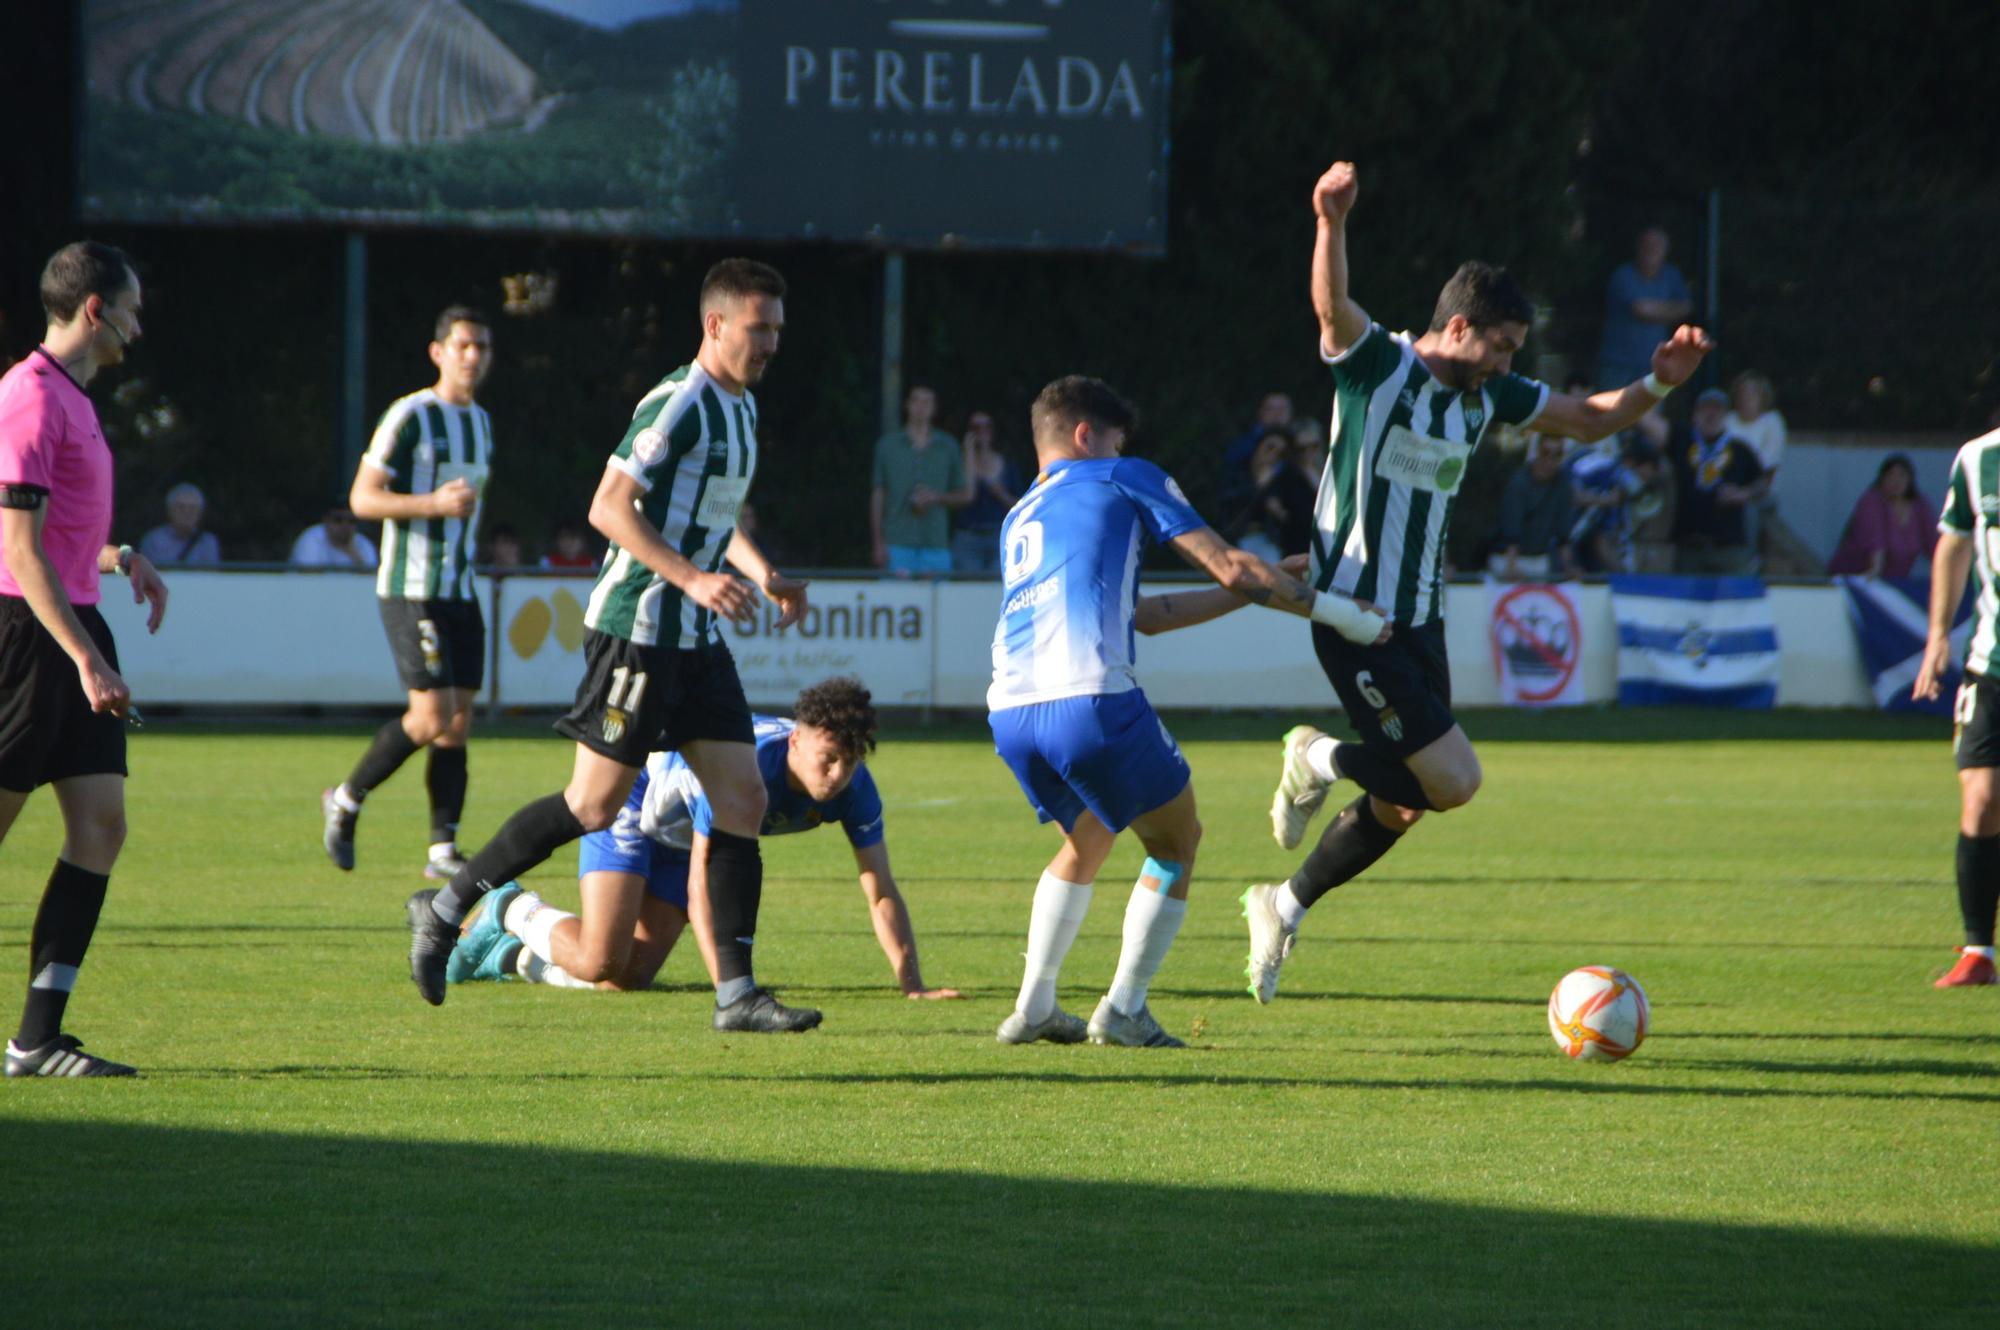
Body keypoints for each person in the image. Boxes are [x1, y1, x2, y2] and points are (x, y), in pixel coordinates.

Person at [1246, 160, 1713, 1004]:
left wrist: (1659, 384)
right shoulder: (1379, 367)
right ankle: (1313, 755)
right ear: (1458, 328)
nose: (1505, 363)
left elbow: (1589, 418)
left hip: (1421, 620)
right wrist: (1330, 220)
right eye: (1498, 346)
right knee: (1454, 780)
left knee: (1408, 804)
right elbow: (1331, 307)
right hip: (1353, 612)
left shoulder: (1486, 397)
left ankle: (1283, 903)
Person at [403, 258, 815, 1035]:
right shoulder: (679, 403)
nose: (770, 345)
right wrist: (694, 579)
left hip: (693, 637)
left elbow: (719, 518)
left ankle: (738, 996)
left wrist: (764, 573)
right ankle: (450, 908)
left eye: (778, 331)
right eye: (759, 329)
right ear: (716, 324)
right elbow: (608, 506)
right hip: (639, 630)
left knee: (743, 799)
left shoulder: (743, 408)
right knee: (591, 804)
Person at [989, 375, 1388, 1050]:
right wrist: (1342, 615)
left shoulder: (1020, 514)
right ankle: (1123, 1010)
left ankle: (1033, 1007)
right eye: (1116, 439)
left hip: (1010, 711)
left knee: (1085, 840)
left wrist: (1258, 589)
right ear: (1089, 436)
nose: (1121, 450)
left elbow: (1148, 615)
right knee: (1176, 842)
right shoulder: (1121, 476)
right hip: (1090, 699)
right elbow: (1232, 565)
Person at [444, 678, 961, 1000]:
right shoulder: (748, 771)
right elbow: (704, 886)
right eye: (829, 758)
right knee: (600, 956)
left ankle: (509, 957)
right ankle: (508, 907)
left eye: (850, 761)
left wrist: (911, 983)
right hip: (638, 797)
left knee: (625, 978)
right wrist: (732, 991)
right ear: (797, 740)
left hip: (684, 837)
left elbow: (881, 888)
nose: (838, 773)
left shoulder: (856, 790)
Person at [0, 241, 171, 1078]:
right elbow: (20, 552)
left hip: (76, 624)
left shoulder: (72, 398)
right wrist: (84, 661)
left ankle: (37, 1039)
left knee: (101, 827)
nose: (137, 329)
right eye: (130, 311)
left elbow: (59, 539)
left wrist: (117, 555)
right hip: (28, 639)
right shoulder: (29, 398)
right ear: (95, 309)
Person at [318, 307, 495, 880]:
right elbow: (363, 498)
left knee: (458, 720)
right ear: (438, 351)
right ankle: (345, 799)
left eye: (482, 347)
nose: (473, 356)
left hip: (461, 590)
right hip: (410, 587)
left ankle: (443, 850)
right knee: (431, 713)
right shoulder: (411, 415)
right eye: (463, 345)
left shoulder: (483, 424)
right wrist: (432, 504)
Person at [1913, 422, 2000, 987]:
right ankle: (1978, 952)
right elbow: (1954, 539)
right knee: (1982, 799)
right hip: (1991, 664)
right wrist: (1938, 635)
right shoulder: (1978, 457)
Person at [1656, 387, 1767, 575]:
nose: (1712, 414)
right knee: (1685, 603)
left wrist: (1743, 494)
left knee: (1734, 602)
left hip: (1729, 547)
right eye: (1706, 409)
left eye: (1718, 409)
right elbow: (1650, 425)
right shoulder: (1681, 439)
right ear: (1695, 414)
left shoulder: (1740, 449)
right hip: (1689, 546)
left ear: (1726, 415)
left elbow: (1762, 483)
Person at [870, 384, 970, 577]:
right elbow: (878, 495)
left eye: (926, 402)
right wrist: (878, 543)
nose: (921, 407)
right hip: (896, 542)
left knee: (939, 604)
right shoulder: (887, 446)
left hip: (935, 543)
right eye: (916, 400)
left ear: (934, 408)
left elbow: (963, 494)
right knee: (895, 604)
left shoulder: (947, 447)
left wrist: (936, 497)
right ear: (907, 405)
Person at [1595, 225, 1693, 391]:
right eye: (1648, 244)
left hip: (1653, 365)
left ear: (1665, 249)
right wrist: (1669, 309)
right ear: (1638, 247)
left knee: (1650, 416)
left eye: (1657, 245)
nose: (1652, 249)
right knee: (1609, 415)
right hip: (1617, 365)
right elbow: (1640, 310)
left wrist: (1654, 307)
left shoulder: (1671, 275)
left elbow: (1685, 308)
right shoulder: (1623, 275)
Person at [1828, 454, 1936, 579]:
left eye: (1902, 475)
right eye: (1891, 475)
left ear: (1910, 479)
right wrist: (1875, 571)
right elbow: (1876, 542)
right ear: (1882, 479)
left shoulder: (1920, 505)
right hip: (1856, 580)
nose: (1896, 481)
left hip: (1897, 583)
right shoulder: (1871, 501)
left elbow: (1933, 544)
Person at [1568, 437, 1663, 573]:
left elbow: (1600, 538)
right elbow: (1565, 493)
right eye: (1642, 478)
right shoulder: (1598, 465)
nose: (1640, 484)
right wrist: (1604, 500)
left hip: (1578, 547)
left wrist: (1624, 575)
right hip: (1556, 539)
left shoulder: (1621, 498)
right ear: (1629, 463)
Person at [1488, 433, 1575, 580]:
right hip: (1507, 558)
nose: (1551, 460)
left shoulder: (1563, 485)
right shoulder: (1519, 483)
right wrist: (1511, 565)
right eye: (1546, 453)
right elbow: (1511, 527)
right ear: (1537, 453)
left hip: (1538, 558)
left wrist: (1569, 567)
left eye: (1557, 454)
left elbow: (1563, 533)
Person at [952, 410, 1023, 574]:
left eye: (987, 427)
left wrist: (1002, 494)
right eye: (975, 428)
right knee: (968, 590)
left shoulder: (1007, 464)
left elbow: (1022, 505)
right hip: (967, 536)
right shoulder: (959, 464)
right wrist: (968, 453)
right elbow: (962, 495)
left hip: (999, 535)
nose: (981, 432)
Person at [137, 482, 220, 565]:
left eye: (193, 508)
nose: (187, 512)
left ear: (200, 512)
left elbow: (212, 576)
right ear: (170, 510)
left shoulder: (208, 542)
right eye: (181, 507)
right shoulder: (153, 541)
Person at [289, 507, 378, 568]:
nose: (345, 526)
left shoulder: (363, 544)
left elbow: (370, 579)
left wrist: (352, 552)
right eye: (338, 520)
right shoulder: (311, 538)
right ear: (326, 520)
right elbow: (307, 577)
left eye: (352, 521)